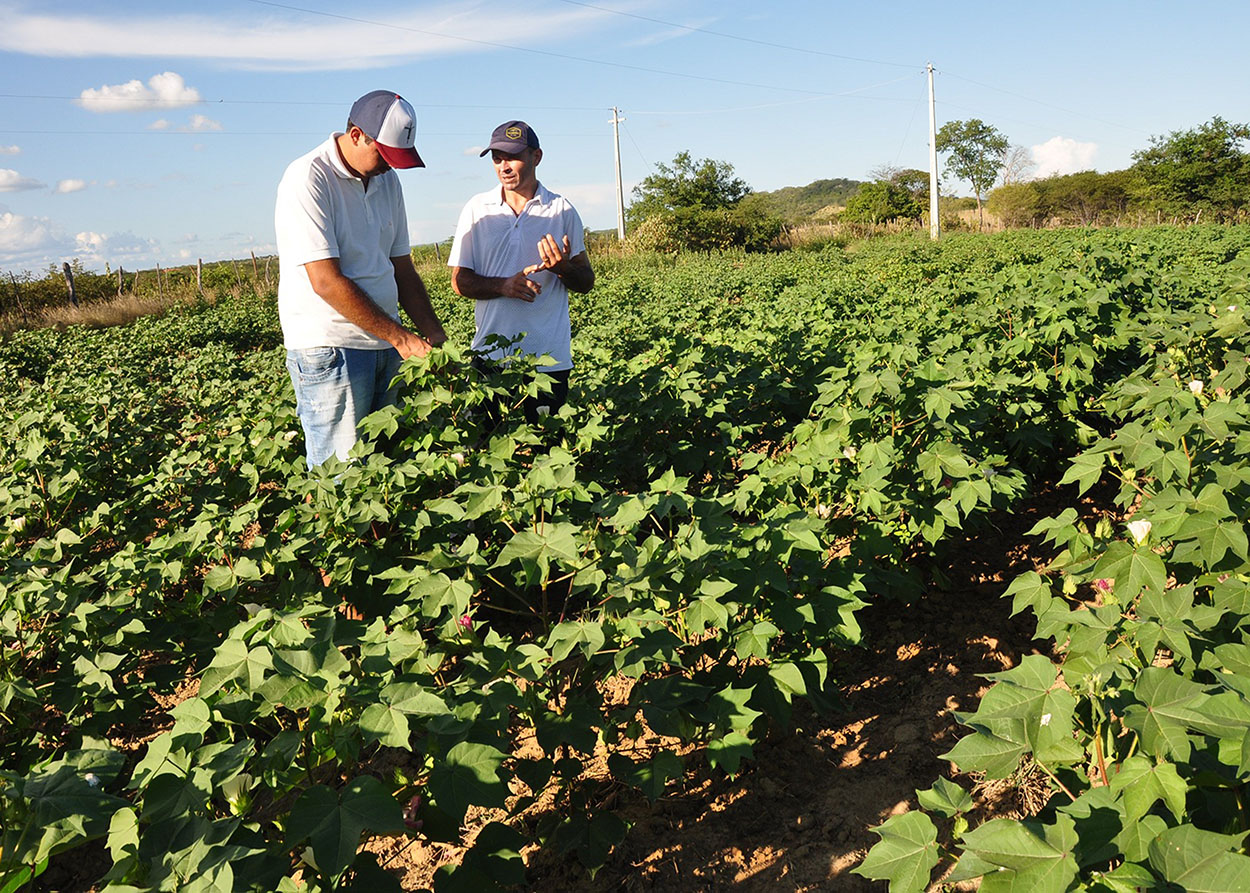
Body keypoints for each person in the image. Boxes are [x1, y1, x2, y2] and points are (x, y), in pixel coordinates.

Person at [275, 89, 447, 468]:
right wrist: (401, 337)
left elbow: (401, 267)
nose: (389, 166)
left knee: (388, 467)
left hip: (386, 344)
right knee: (343, 474)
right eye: (383, 155)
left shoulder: (387, 182)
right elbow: (325, 280)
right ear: (356, 135)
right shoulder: (307, 178)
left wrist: (433, 333)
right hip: (332, 347)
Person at [448, 120, 594, 423]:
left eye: (512, 157)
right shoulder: (478, 209)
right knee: (482, 452)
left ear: (536, 157)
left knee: (546, 455)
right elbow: (459, 281)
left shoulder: (561, 210)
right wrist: (504, 286)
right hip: (489, 358)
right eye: (497, 158)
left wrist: (561, 268)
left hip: (548, 360)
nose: (504, 166)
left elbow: (586, 281)